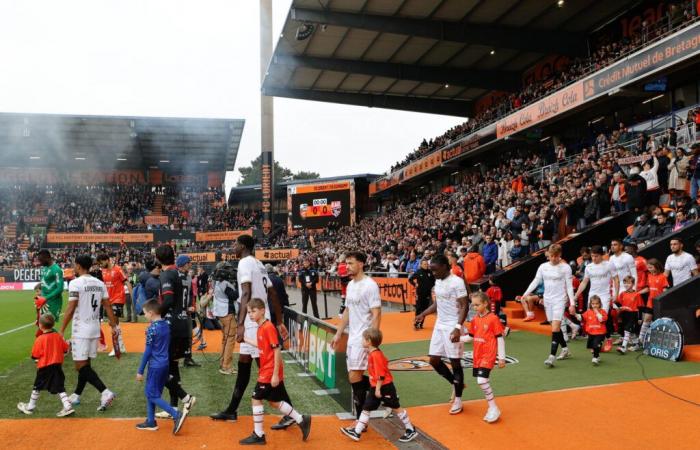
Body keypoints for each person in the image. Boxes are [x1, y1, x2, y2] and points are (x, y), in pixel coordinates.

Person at [210, 235, 290, 430]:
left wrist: (240, 323)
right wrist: (278, 321)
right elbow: (272, 294)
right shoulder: (259, 263)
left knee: (266, 366)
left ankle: (291, 412)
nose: (233, 246)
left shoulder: (245, 263)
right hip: (259, 317)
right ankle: (232, 410)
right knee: (244, 364)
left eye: (235, 243)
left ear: (243, 246)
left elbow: (245, 292)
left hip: (253, 321)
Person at [239, 298, 311, 445]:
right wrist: (244, 339)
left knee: (255, 398)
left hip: (269, 371)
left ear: (262, 311)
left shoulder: (268, 327)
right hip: (267, 370)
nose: (250, 315)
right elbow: (261, 346)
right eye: (248, 312)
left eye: (253, 311)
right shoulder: (261, 327)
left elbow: (277, 349)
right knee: (274, 401)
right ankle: (301, 419)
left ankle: (259, 434)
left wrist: (275, 374)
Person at [59, 254, 118, 411]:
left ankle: (105, 392)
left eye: (74, 265)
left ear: (78, 266)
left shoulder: (75, 283)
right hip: (94, 327)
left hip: (81, 329)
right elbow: (107, 306)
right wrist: (113, 325)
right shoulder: (99, 283)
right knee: (86, 363)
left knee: (80, 366)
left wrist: (61, 330)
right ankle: (77, 394)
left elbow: (71, 308)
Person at [340, 328, 417, 442]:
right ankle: (357, 432)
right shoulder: (373, 353)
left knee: (396, 407)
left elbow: (381, 374)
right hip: (375, 386)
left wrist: (378, 389)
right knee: (366, 408)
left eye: (363, 339)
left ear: (369, 341)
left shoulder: (376, 355)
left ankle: (410, 429)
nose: (361, 341)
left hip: (384, 387)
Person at [330, 251, 381, 422]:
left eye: (351, 263)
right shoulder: (350, 285)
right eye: (347, 263)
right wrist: (338, 333)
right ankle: (384, 388)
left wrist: (372, 340)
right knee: (354, 377)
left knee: (354, 377)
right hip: (352, 337)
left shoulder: (370, 285)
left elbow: (376, 313)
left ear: (361, 264)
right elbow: (347, 311)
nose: (347, 267)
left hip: (363, 338)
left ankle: (361, 420)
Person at [414, 255, 468, 414]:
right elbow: (438, 303)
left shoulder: (457, 282)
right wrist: (423, 313)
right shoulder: (438, 281)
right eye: (431, 270)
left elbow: (465, 305)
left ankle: (458, 399)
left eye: (435, 270)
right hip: (439, 324)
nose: (433, 273)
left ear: (445, 266)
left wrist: (458, 327)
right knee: (434, 360)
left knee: (455, 362)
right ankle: (455, 383)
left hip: (453, 324)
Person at [154, 245, 196, 419]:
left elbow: (169, 299)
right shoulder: (184, 274)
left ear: (158, 258)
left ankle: (185, 397)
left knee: (159, 370)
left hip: (172, 326)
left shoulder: (167, 274)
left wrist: (156, 315)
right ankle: (172, 408)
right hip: (185, 324)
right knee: (173, 366)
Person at [135, 299, 189, 434]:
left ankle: (176, 415)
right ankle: (151, 421)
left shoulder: (152, 329)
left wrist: (140, 370)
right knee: (153, 393)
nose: (145, 316)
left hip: (155, 366)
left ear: (152, 313)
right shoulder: (166, 325)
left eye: (146, 313)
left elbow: (148, 352)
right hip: (164, 364)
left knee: (151, 394)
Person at [522, 244, 576, 367]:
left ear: (559, 255)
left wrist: (572, 303)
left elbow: (569, 286)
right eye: (550, 256)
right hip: (548, 300)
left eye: (555, 256)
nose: (552, 258)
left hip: (560, 300)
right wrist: (525, 293)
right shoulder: (543, 267)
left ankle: (551, 356)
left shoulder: (566, 268)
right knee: (554, 328)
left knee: (556, 328)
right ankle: (565, 349)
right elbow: (536, 280)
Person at [459, 292, 506, 423]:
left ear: (485, 303)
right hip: (478, 354)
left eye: (477, 305)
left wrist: (501, 357)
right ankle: (492, 408)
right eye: (473, 305)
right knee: (482, 381)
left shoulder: (493, 318)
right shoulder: (474, 320)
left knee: (481, 380)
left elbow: (500, 338)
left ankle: (493, 408)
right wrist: (458, 339)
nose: (474, 307)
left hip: (488, 354)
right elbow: (470, 337)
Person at [17, 313, 74, 417]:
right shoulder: (58, 336)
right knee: (60, 387)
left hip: (44, 367)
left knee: (37, 387)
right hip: (57, 366)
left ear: (40, 325)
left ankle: (30, 407)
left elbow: (34, 356)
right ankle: (67, 406)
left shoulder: (40, 339)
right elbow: (66, 349)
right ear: (53, 325)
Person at [574, 245, 619, 338]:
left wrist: (616, 294)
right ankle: (596, 340)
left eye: (596, 256)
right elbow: (584, 282)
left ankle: (607, 338)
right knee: (591, 318)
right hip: (592, 295)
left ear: (601, 255)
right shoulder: (588, 267)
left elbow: (616, 279)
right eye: (592, 256)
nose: (594, 258)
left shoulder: (609, 265)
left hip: (604, 295)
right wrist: (576, 296)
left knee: (602, 318)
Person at [97, 253, 130, 356]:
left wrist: (133, 297)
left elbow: (127, 282)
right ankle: (121, 345)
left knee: (113, 322)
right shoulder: (102, 271)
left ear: (107, 260)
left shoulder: (118, 269)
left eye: (101, 262)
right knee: (113, 323)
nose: (100, 265)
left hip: (118, 298)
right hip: (108, 300)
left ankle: (117, 348)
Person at [212, 264, 238, 375]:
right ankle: (226, 366)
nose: (230, 272)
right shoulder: (224, 283)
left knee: (226, 339)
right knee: (230, 340)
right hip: (227, 313)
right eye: (227, 269)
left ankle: (223, 363)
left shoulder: (217, 282)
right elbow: (234, 296)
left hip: (221, 313)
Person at [638, 258, 668, 349]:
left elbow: (665, 289)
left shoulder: (663, 277)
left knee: (658, 322)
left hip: (659, 303)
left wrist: (663, 298)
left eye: (651, 267)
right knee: (646, 319)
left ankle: (658, 342)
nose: (649, 269)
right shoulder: (649, 276)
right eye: (648, 267)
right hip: (650, 302)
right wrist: (637, 293)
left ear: (656, 267)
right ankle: (640, 340)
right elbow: (648, 288)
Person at [176, 255, 199, 368]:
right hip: (178, 312)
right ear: (184, 264)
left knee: (188, 336)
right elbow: (175, 297)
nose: (190, 264)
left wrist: (191, 306)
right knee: (177, 336)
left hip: (187, 311)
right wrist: (184, 308)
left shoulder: (189, 277)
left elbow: (190, 294)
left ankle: (188, 358)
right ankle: (174, 359)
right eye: (189, 262)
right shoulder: (175, 276)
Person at [576, 295, 608, 365]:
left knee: (596, 345)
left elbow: (602, 319)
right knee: (592, 346)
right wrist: (575, 314)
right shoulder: (588, 312)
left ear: (600, 304)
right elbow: (581, 318)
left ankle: (595, 357)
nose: (595, 305)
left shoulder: (603, 312)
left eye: (597, 304)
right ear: (590, 304)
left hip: (600, 333)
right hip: (591, 332)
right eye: (593, 304)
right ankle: (597, 355)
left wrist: (597, 312)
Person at [615, 276, 642, 354]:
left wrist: (640, 318)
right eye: (625, 283)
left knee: (627, 330)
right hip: (624, 314)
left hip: (633, 315)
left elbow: (640, 308)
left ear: (633, 284)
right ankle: (637, 344)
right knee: (631, 332)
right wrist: (614, 302)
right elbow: (620, 305)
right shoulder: (622, 293)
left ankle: (623, 347)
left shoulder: (637, 294)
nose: (626, 285)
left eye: (628, 283)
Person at [37, 249, 64, 321]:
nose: (40, 263)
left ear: (47, 258)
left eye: (41, 260)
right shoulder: (45, 268)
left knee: (47, 325)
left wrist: (46, 297)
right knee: (42, 325)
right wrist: (40, 286)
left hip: (53, 301)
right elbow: (47, 281)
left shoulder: (56, 269)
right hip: (43, 301)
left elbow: (60, 288)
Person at [408, 258, 435, 329]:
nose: (426, 265)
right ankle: (416, 323)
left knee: (425, 310)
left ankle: (421, 323)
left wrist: (433, 288)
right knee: (419, 309)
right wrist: (415, 284)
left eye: (427, 264)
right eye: (424, 264)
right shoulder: (418, 272)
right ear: (421, 265)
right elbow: (410, 279)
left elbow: (434, 281)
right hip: (419, 294)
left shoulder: (430, 272)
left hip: (427, 294)